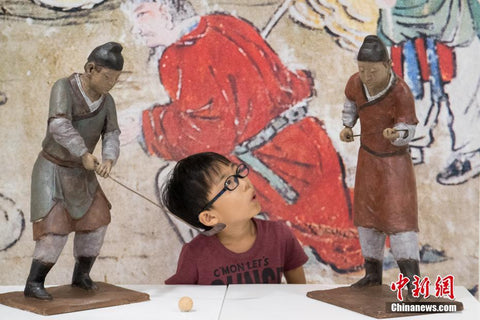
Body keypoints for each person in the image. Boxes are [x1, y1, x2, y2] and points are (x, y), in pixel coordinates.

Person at [122, 0, 363, 272]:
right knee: (340, 229)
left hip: (277, 168)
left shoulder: (179, 56)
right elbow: (264, 91)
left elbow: (207, 134)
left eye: (142, 15)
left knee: (178, 180)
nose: (136, 29)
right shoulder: (225, 23)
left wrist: (146, 127)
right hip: (308, 145)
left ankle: (227, 266)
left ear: (165, 12)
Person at [24, 42, 123, 300]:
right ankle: (34, 283)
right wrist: (83, 153)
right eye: (107, 77)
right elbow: (58, 125)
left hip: (83, 174)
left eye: (115, 79)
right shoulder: (64, 87)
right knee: (53, 230)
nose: (111, 83)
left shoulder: (107, 101)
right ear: (91, 68)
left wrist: (109, 159)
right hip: (53, 169)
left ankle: (81, 276)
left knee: (97, 224)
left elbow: (111, 133)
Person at [339, 35, 420, 297]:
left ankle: (413, 284)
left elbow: (408, 127)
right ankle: (372, 275)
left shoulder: (400, 91)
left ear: (387, 65)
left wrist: (398, 134)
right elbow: (350, 105)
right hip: (368, 160)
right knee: (366, 218)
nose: (366, 76)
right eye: (362, 69)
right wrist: (347, 127)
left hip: (395, 166)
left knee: (400, 221)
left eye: (372, 70)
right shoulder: (354, 83)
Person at [161, 152, 308, 285]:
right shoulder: (194, 255)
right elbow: (176, 300)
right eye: (229, 183)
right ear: (209, 217)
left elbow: (299, 294)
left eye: (238, 173)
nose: (245, 183)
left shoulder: (280, 236)